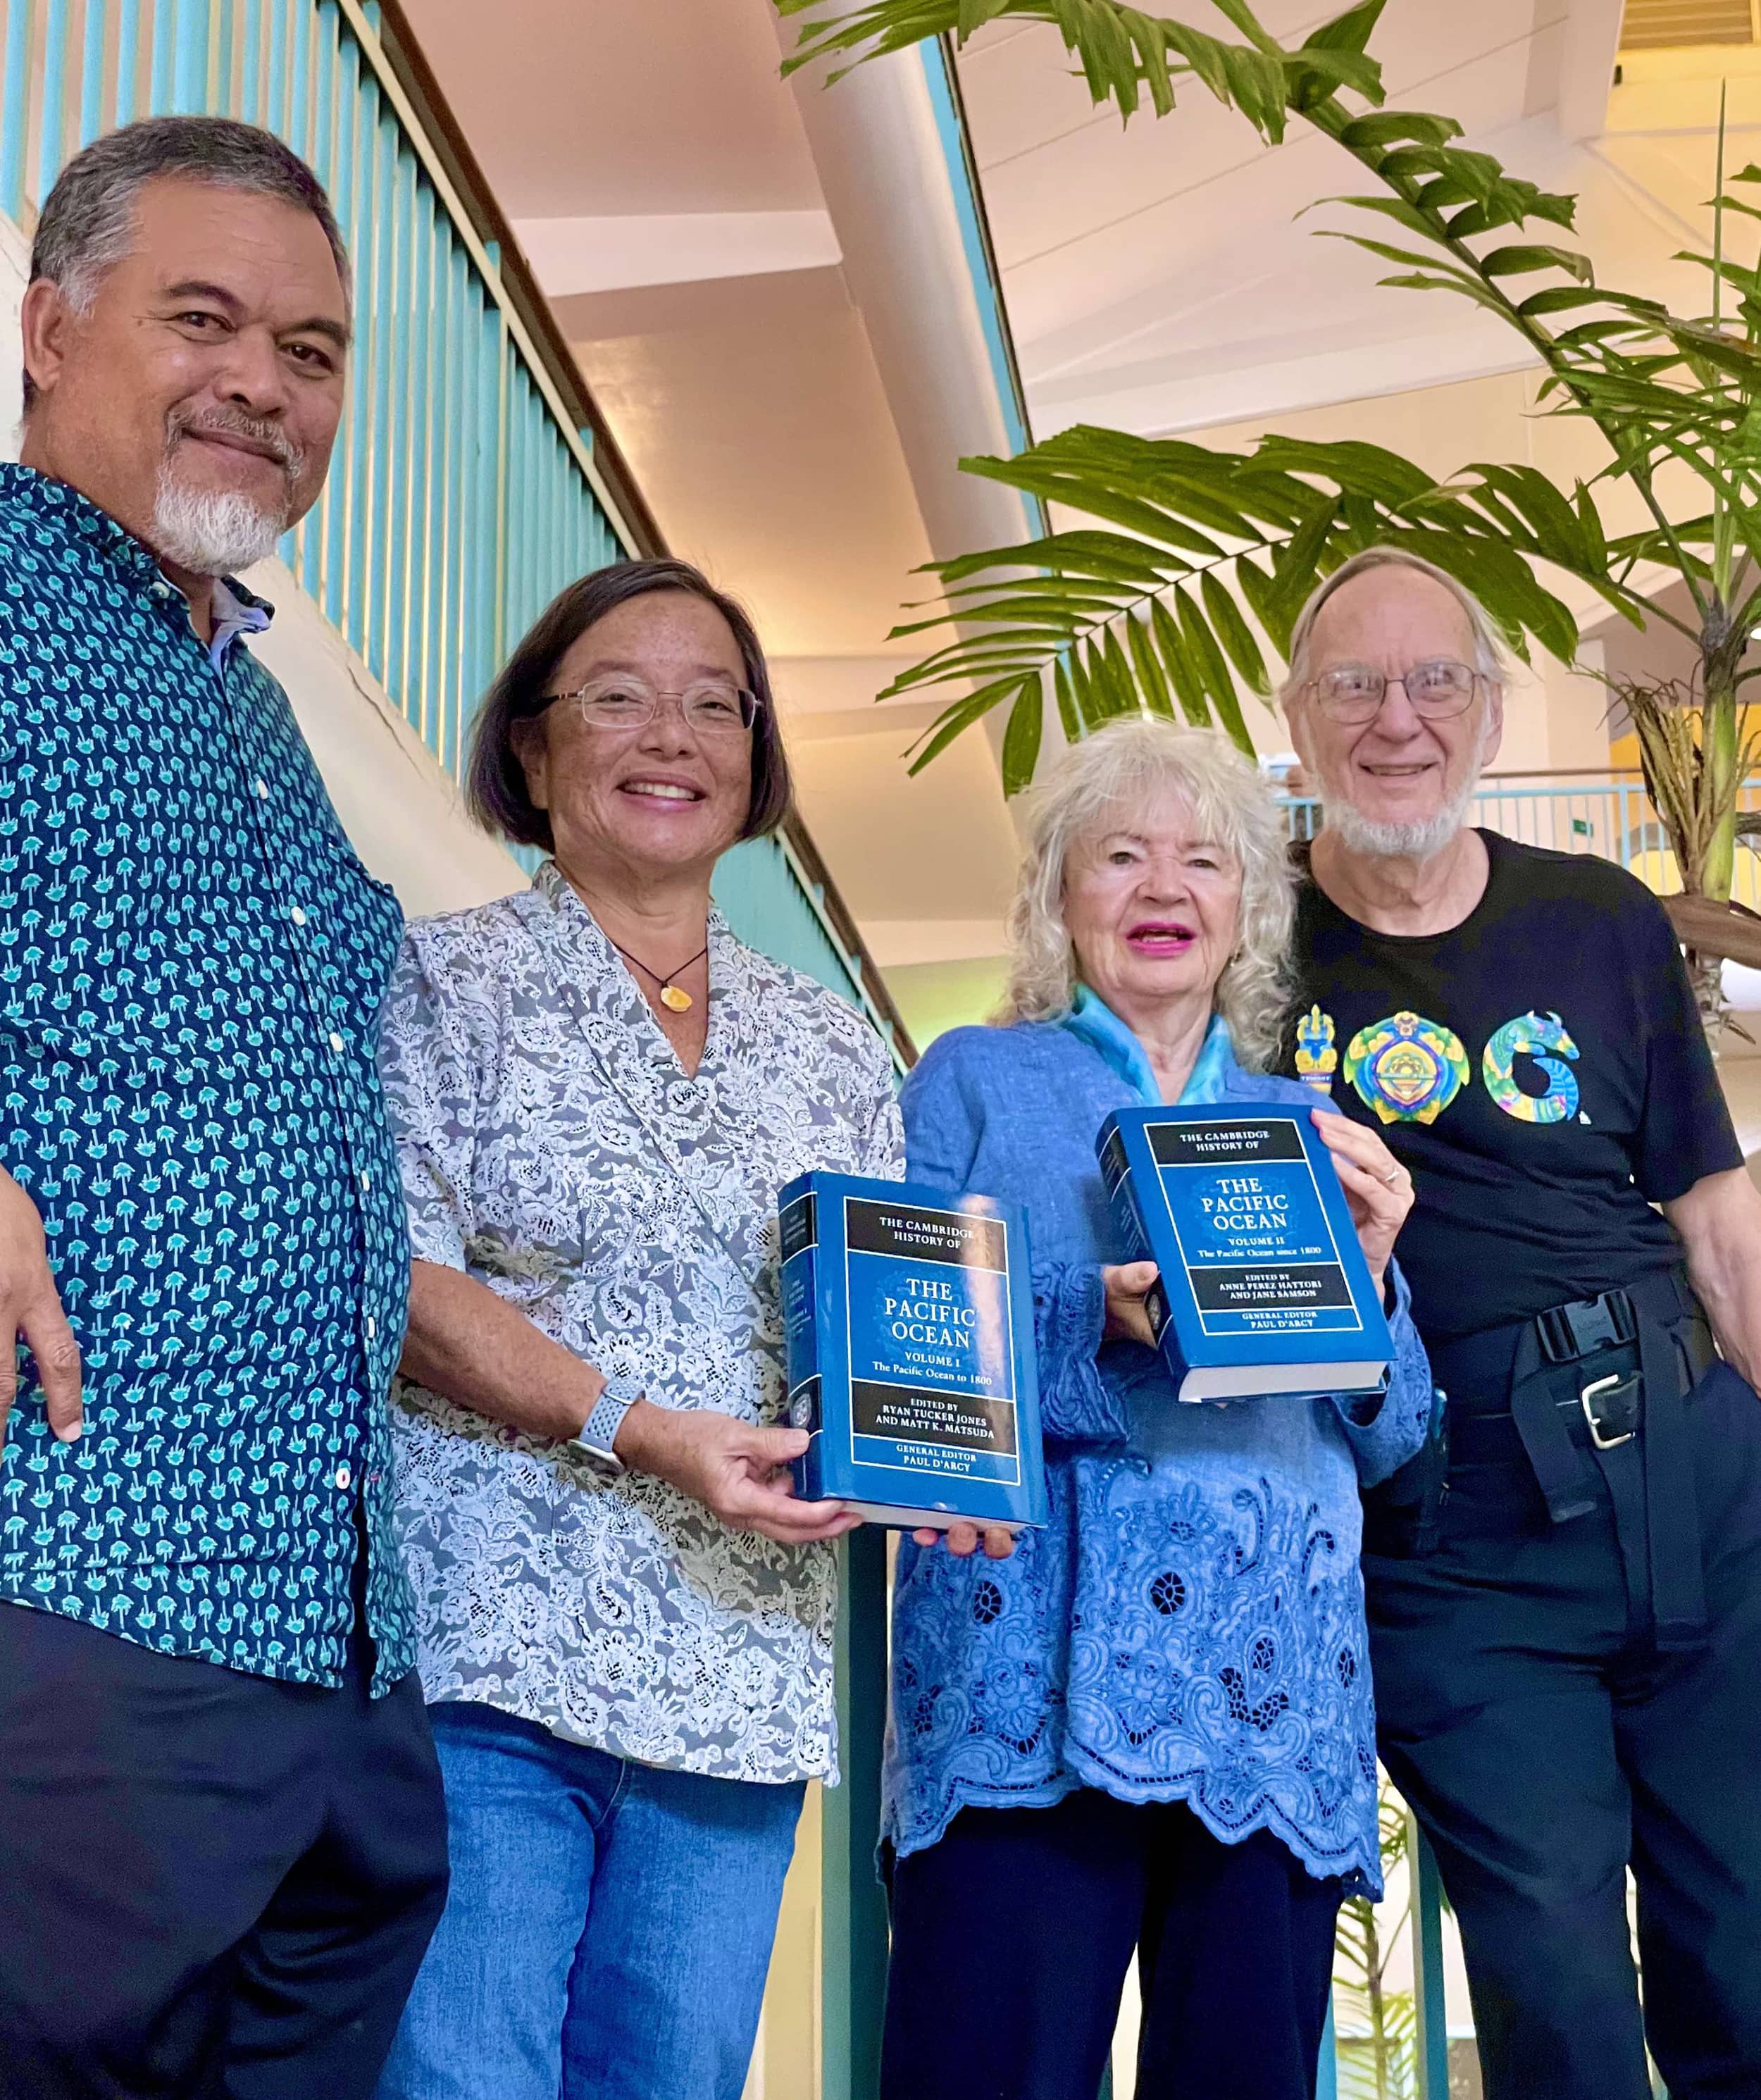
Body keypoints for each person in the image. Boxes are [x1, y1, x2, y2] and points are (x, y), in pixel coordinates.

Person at [375, 558, 970, 2100]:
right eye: (620, 698)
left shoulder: (831, 1044)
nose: (673, 737)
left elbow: (886, 1325)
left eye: (717, 705)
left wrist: (942, 1466)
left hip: (738, 1672)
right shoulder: (438, 982)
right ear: (531, 747)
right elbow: (402, 1287)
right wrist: (636, 1427)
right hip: (491, 1654)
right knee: (461, 2079)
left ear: (757, 759)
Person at [0, 118, 449, 2099]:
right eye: (204, 318)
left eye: (314, 348)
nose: (263, 381)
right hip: (81, 1589)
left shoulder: (253, 707)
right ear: (45, 326)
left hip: (337, 1658)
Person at [878, 720, 1435, 2100]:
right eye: (1118, 855)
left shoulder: (1297, 1125)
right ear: (1056, 895)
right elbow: (901, 1361)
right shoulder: (967, 1080)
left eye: (1202, 860)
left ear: (1244, 907)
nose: (1161, 886)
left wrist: (1364, 1276)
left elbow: (1392, 1426)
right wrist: (1094, 1316)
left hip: (1268, 1684)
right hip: (1019, 1688)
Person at [1282, 544, 1761, 2099]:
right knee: (1552, 1974)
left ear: (1489, 715)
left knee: (1742, 1950)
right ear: (1295, 716)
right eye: (1353, 684)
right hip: (1452, 1518)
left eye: (1434, 682)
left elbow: (1709, 1210)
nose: (1395, 719)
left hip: (1692, 1470)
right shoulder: (1242, 944)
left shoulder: (1600, 915)